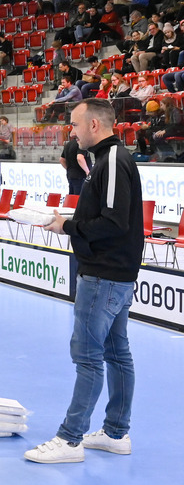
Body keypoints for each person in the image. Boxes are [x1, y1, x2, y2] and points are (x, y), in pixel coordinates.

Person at [26, 99, 143, 463]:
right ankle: (115, 432)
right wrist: (70, 218)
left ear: (94, 125)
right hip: (115, 275)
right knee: (115, 354)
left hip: (104, 275)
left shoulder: (111, 162)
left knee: (89, 357)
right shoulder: (108, 162)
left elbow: (113, 223)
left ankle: (70, 439)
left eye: (75, 125)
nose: (71, 132)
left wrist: (67, 226)